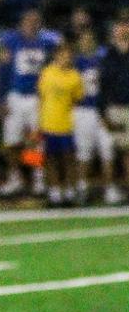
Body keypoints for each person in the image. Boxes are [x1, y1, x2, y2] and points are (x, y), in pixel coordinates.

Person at [0, 10, 55, 197]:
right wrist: (1, 98)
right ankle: (16, 178)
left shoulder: (46, 43)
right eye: (29, 20)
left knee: (35, 140)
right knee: (11, 141)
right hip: (16, 96)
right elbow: (3, 71)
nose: (32, 24)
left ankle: (37, 178)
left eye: (36, 21)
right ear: (21, 22)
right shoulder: (11, 42)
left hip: (37, 97)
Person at [72, 26, 118, 204]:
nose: (87, 42)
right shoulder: (75, 62)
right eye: (84, 39)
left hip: (103, 109)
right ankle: (82, 187)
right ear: (79, 42)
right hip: (83, 110)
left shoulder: (104, 60)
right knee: (84, 152)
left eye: (90, 38)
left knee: (108, 151)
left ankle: (109, 188)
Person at [37, 38, 83, 207]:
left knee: (68, 159)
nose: (66, 58)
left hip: (67, 125)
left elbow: (77, 100)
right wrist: (39, 121)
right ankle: (55, 193)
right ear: (56, 56)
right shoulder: (47, 73)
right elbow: (41, 97)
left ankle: (70, 192)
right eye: (63, 55)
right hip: (49, 123)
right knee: (51, 160)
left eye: (69, 55)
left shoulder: (75, 77)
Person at [100, 16, 129, 197]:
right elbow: (102, 87)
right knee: (108, 151)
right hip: (113, 108)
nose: (123, 31)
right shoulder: (108, 55)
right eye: (120, 27)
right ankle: (109, 188)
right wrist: (103, 113)